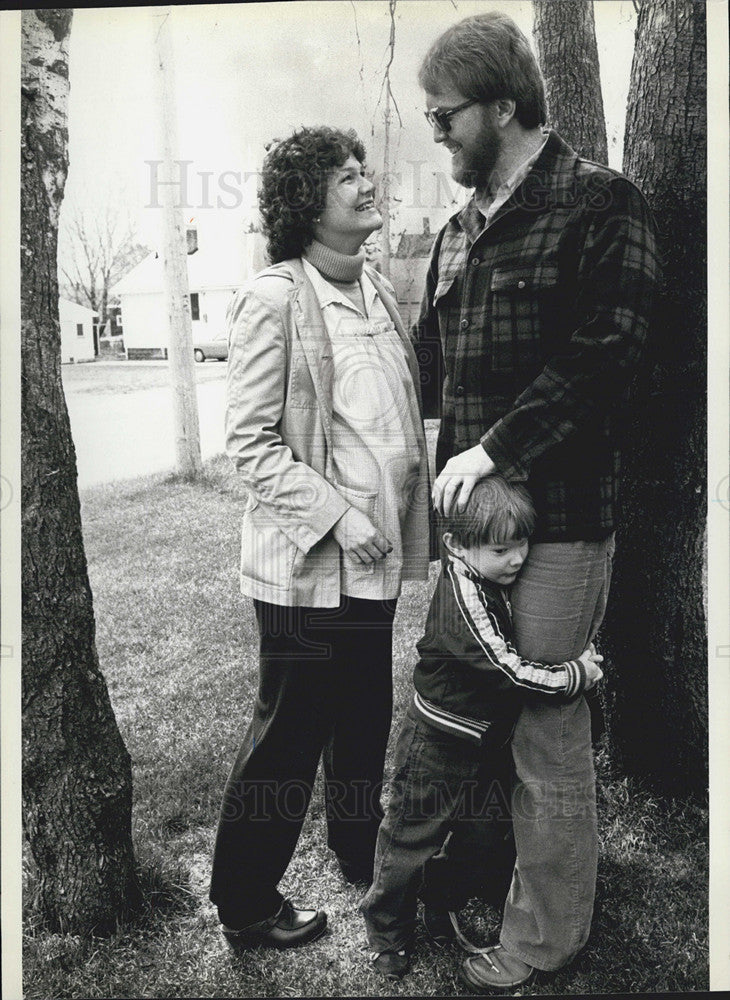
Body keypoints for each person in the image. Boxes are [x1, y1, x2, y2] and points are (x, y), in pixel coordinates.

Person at [413, 11, 660, 992]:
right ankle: (478, 881)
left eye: (445, 116)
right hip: (468, 534)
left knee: (546, 726)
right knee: (470, 713)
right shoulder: (455, 232)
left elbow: (612, 353)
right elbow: (429, 375)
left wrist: (495, 446)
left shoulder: (601, 202)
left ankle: (546, 937)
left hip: (560, 520)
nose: (435, 135)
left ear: (503, 103)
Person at [209, 126, 430, 950]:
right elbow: (252, 445)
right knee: (290, 735)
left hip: (372, 566)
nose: (366, 184)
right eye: (346, 177)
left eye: (362, 171)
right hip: (305, 569)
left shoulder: (373, 288)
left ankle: (355, 851)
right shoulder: (274, 297)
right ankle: (244, 903)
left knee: (365, 716)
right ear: (307, 203)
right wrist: (340, 515)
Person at [360, 477, 604, 980]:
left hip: (480, 738)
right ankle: (387, 931)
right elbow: (508, 668)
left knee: (481, 827)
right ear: (455, 547)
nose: (517, 559)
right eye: (501, 549)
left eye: (522, 544)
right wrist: (573, 675)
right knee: (408, 836)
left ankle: (444, 894)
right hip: (437, 742)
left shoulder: (487, 577)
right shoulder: (463, 594)